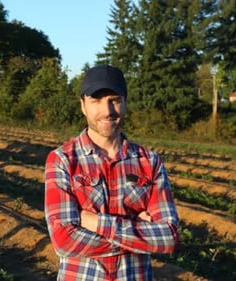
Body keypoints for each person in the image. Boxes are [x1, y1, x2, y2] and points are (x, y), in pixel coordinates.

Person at [44, 64, 179, 281]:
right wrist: (139, 233)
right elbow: (64, 241)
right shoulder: (63, 160)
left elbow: (169, 237)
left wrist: (95, 223)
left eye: (114, 100)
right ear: (83, 106)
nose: (107, 111)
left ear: (125, 103)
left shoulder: (149, 161)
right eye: (96, 101)